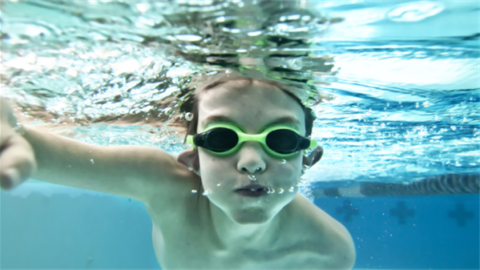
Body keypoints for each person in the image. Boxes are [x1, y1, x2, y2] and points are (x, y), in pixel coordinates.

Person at [0, 71, 355, 269]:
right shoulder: (163, 184)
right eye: (220, 138)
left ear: (307, 159)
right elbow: (29, 147)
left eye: (280, 140)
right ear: (193, 160)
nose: (251, 162)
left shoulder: (328, 252)